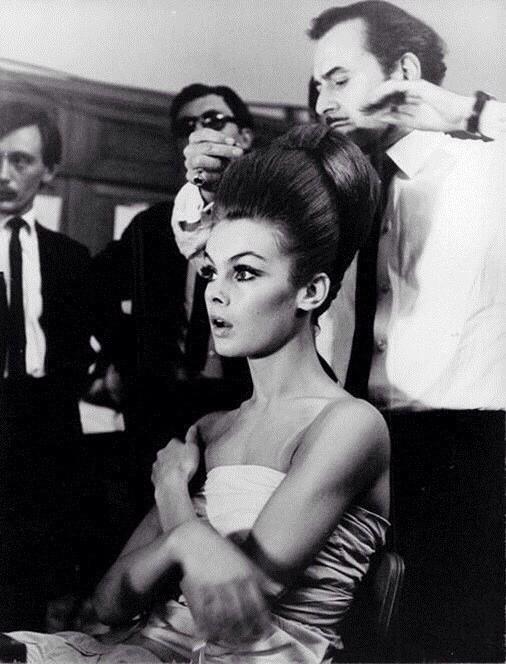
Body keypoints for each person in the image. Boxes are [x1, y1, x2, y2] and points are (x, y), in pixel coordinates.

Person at [181, 3, 505, 661]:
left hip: (465, 454)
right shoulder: (335, 188)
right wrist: (213, 190)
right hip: (342, 444)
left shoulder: (486, 171)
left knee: (450, 641)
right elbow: (212, 253)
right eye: (316, 86)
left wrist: (463, 111)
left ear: (405, 72)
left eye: (339, 80)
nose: (323, 102)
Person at [7, 123, 389, 664]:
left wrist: (174, 504)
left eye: (245, 273)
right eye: (212, 270)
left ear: (311, 290)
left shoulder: (350, 426)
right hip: (139, 650)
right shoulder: (212, 428)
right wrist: (177, 538)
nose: (215, 294)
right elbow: (108, 604)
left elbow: (232, 616)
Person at [92, 83, 254, 515]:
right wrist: (117, 357)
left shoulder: (264, 222)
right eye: (187, 126)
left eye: (214, 120)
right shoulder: (151, 226)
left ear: (244, 136)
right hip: (158, 404)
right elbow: (93, 287)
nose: (200, 130)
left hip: (238, 401)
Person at [0, 102, 94, 630]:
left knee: (25, 606)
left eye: (20, 160)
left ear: (49, 170)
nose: (3, 174)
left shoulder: (70, 259)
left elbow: (79, 357)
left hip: (43, 433)